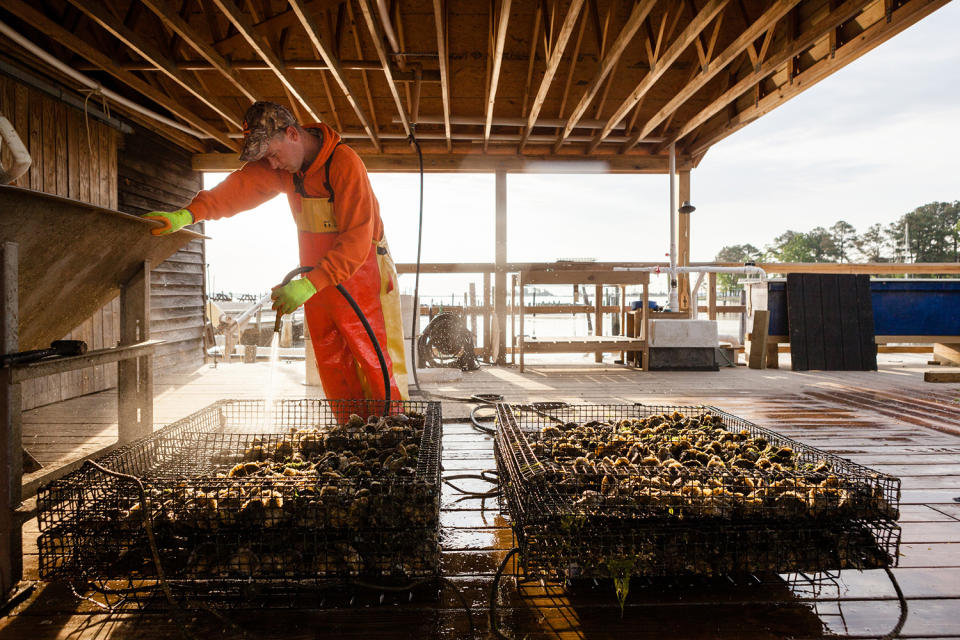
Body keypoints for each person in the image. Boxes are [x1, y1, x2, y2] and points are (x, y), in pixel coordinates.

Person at [145, 102, 408, 411]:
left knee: (374, 360)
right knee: (332, 361)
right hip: (317, 280)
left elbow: (356, 240)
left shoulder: (343, 163)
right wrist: (188, 214)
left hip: (361, 276)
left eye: (271, 154)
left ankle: (393, 431)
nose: (270, 165)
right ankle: (351, 434)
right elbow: (238, 188)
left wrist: (310, 283)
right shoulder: (286, 169)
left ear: (293, 134)